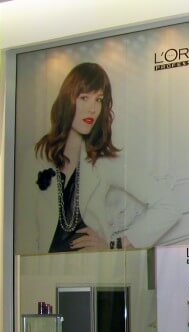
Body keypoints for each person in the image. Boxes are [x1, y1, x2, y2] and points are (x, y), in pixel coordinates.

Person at [33, 62, 179, 253]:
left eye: (99, 99)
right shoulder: (36, 156)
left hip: (89, 267)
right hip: (41, 267)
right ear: (67, 99)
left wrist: (114, 245)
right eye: (84, 98)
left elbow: (168, 206)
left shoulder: (103, 162)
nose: (92, 109)